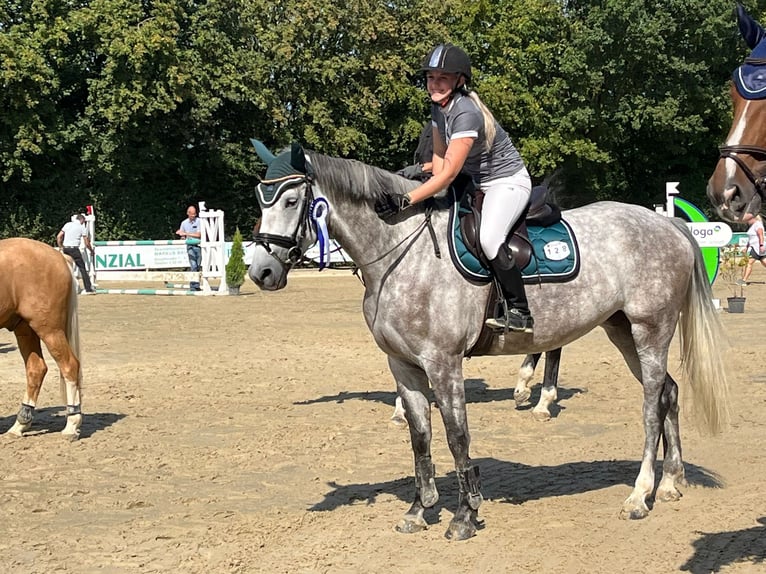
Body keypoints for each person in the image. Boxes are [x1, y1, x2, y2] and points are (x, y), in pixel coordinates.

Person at [376, 43, 534, 333]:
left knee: (488, 238)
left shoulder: (466, 113)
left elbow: (447, 175)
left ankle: (520, 311)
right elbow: (439, 162)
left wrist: (405, 199)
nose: (434, 85)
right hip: (476, 182)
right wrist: (419, 173)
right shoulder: (439, 109)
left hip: (507, 181)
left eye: (442, 78)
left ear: (459, 81)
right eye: (430, 78)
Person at [57, 213, 96, 294]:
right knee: (82, 268)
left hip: (66, 249)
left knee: (65, 269)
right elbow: (87, 242)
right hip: (74, 249)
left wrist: (61, 247)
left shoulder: (67, 224)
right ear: (82, 220)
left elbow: (59, 236)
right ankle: (88, 288)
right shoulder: (82, 227)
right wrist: (91, 251)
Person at [176, 204, 202, 291]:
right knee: (193, 266)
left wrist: (185, 234)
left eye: (195, 214)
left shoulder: (199, 221)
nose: (194, 216)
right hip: (190, 246)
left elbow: (198, 235)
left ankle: (196, 284)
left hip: (199, 246)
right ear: (188, 213)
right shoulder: (184, 223)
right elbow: (182, 236)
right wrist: (182, 236)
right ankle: (192, 285)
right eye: (192, 214)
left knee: (198, 266)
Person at [739, 212, 766, 285]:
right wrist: (746, 247)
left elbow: (760, 235)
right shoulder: (753, 226)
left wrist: (761, 245)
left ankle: (743, 280)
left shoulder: (758, 225)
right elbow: (751, 238)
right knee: (764, 262)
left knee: (749, 263)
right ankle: (743, 280)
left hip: (757, 247)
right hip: (755, 247)